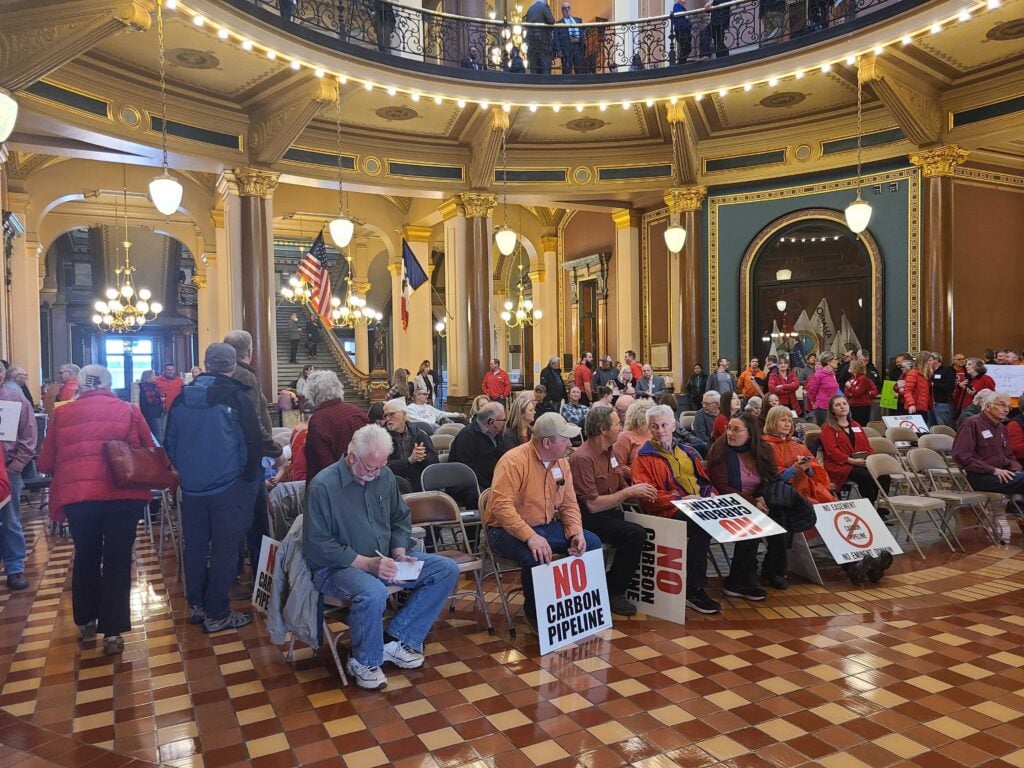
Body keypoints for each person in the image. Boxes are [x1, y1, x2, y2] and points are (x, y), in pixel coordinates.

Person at [304, 424, 460, 689]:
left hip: (384, 559)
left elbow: (400, 518)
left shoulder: (384, 476)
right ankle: (364, 661)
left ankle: (396, 639)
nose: (374, 474)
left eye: (380, 468)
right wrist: (367, 563)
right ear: (352, 456)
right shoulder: (323, 486)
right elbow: (318, 545)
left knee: (446, 569)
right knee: (374, 591)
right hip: (336, 568)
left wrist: (399, 552)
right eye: (369, 468)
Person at [37, 365, 152, 654]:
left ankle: (86, 620)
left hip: (79, 497)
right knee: (117, 559)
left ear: (80, 386)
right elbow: (147, 447)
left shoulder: (62, 414)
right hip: (122, 496)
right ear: (109, 385)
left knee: (86, 554)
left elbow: (46, 462)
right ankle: (113, 632)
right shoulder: (128, 410)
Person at [166, 343, 263, 633]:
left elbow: (169, 441)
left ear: (206, 365)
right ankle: (217, 612)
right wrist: (246, 477)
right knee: (226, 549)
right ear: (232, 367)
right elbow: (252, 441)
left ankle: (196, 605)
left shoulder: (181, 398)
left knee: (194, 547)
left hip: (193, 487)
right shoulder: (237, 397)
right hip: (229, 485)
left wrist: (185, 471)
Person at [485, 412, 603, 630]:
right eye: (565, 438)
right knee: (536, 555)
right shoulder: (513, 461)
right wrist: (530, 536)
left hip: (546, 525)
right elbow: (501, 508)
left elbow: (568, 504)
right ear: (547, 442)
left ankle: (574, 608)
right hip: (504, 531)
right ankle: (537, 616)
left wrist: (575, 532)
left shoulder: (562, 463)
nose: (570, 443)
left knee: (591, 542)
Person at [763, 405, 891, 585]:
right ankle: (853, 565)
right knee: (824, 515)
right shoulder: (766, 446)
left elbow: (816, 469)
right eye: (782, 420)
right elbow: (772, 477)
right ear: (771, 422)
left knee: (835, 510)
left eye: (789, 420)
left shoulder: (796, 444)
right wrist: (793, 470)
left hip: (809, 489)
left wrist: (808, 470)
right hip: (790, 495)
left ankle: (866, 561)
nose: (787, 424)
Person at [631, 405, 720, 614]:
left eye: (664, 425)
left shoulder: (688, 452)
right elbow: (648, 498)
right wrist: (680, 498)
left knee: (743, 518)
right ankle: (693, 589)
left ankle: (742, 578)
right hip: (667, 512)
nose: (660, 430)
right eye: (654, 426)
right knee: (702, 526)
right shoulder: (642, 458)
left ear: (673, 425)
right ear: (649, 428)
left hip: (700, 505)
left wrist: (712, 494)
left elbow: (704, 482)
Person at [570, 406, 657, 616]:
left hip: (608, 511)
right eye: (617, 423)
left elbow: (620, 485)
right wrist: (629, 494)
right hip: (587, 517)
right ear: (603, 429)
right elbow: (592, 505)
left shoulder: (611, 452)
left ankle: (616, 582)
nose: (621, 427)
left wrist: (645, 493)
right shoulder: (582, 458)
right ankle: (614, 590)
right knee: (634, 533)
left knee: (651, 526)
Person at [706, 411, 784, 599]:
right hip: (729, 502)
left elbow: (772, 478)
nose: (730, 433)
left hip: (759, 500)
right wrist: (752, 503)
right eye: (729, 429)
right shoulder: (720, 450)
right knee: (752, 521)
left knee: (782, 513)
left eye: (736, 430)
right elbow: (722, 486)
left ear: (750, 433)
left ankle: (772, 569)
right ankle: (737, 581)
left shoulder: (763, 450)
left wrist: (763, 498)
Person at [0, 364, 36, 591]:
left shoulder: (15, 398)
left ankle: (15, 568)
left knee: (10, 520)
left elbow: (29, 433)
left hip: (8, 468)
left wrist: (17, 465)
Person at [953, 392, 1024, 502]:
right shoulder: (971, 423)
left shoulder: (1001, 428)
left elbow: (1009, 456)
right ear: (987, 406)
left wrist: (1016, 470)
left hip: (1003, 473)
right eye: (1001, 405)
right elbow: (961, 456)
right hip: (981, 475)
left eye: (1008, 407)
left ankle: (1016, 509)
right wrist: (993, 470)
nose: (1006, 410)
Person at [304, 371, 370, 482]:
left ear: (313, 395)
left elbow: (323, 463)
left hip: (331, 486)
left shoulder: (318, 420)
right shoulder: (358, 412)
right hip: (364, 480)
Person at [820, 394, 882, 504]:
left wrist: (869, 459)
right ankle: (869, 506)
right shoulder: (828, 427)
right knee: (866, 476)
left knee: (882, 475)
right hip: (840, 465)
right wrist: (852, 461)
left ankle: (880, 507)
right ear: (832, 410)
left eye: (844, 404)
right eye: (838, 405)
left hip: (860, 462)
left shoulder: (855, 424)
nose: (842, 407)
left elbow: (867, 446)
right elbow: (831, 451)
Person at [447, 401, 509, 505]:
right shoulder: (466, 436)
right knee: (495, 499)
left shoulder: (497, 434)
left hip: (491, 482)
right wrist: (492, 486)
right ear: (491, 422)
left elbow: (504, 457)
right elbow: (467, 470)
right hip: (468, 485)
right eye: (503, 420)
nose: (504, 422)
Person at [383, 398, 438, 492]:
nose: (388, 418)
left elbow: (434, 461)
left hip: (418, 483)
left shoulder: (418, 434)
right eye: (386, 415)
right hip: (392, 486)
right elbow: (382, 467)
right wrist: (409, 460)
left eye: (392, 414)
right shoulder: (381, 437)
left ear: (404, 415)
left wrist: (422, 456)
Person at [613, 398, 654, 479]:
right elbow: (618, 466)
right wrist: (639, 474)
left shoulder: (654, 433)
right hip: (638, 481)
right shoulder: (625, 437)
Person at [806, 352, 840, 425]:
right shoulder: (819, 374)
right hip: (821, 408)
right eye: (835, 359)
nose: (837, 361)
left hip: (832, 407)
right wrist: (814, 405)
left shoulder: (832, 373)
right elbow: (811, 392)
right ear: (828, 361)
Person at [524, 0, 555, 73]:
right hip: (543, 40)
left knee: (534, 66)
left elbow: (527, 23)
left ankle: (534, 82)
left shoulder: (530, 9)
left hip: (531, 40)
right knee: (545, 66)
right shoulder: (544, 6)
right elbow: (551, 21)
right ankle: (545, 83)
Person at [844, 359, 878, 427]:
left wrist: (850, 388)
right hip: (853, 405)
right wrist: (850, 393)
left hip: (862, 405)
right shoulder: (851, 379)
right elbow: (846, 392)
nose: (849, 368)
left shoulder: (863, 378)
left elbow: (858, 392)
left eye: (851, 366)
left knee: (861, 425)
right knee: (854, 424)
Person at [554, 2, 586, 74]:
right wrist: (559, 50)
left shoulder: (578, 20)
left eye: (568, 8)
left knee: (580, 69)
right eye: (564, 8)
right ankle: (566, 84)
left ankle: (580, 84)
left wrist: (584, 44)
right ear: (562, 10)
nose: (567, 10)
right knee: (567, 70)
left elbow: (583, 32)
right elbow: (556, 38)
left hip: (578, 47)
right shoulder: (558, 23)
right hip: (566, 49)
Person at [901, 352, 933, 420]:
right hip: (915, 408)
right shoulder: (913, 373)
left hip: (923, 407)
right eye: (929, 360)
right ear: (923, 361)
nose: (931, 362)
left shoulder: (925, 374)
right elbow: (907, 391)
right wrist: (911, 404)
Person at [929, 353, 956, 428]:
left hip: (941, 403)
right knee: (930, 427)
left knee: (943, 427)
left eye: (930, 360)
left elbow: (950, 386)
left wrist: (935, 385)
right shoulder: (929, 372)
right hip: (929, 404)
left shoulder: (947, 371)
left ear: (937, 360)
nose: (929, 362)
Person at [138, 370, 165, 440]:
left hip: (151, 413)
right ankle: (159, 450)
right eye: (153, 375)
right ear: (148, 377)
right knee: (159, 436)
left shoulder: (147, 386)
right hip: (153, 414)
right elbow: (152, 400)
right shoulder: (148, 387)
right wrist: (161, 400)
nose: (155, 377)